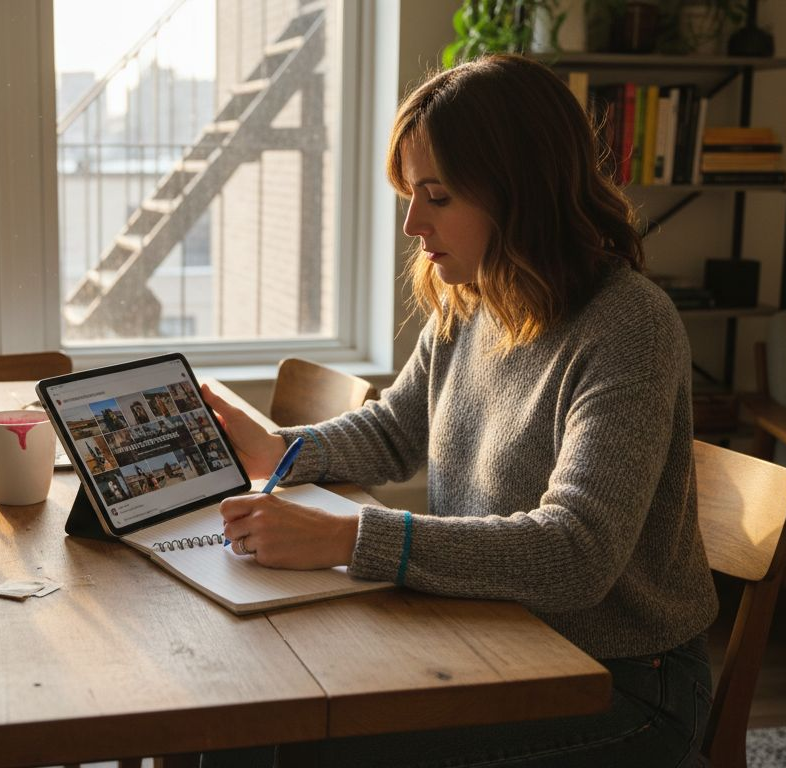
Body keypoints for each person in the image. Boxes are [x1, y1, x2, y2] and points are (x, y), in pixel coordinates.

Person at [200, 55, 717, 768]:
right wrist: (278, 448)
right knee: (245, 709)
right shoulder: (476, 298)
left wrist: (346, 539)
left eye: (436, 197)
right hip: (486, 632)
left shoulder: (629, 326)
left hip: (620, 684)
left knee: (278, 742)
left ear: (519, 193)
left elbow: (578, 554)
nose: (413, 223)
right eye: (411, 195)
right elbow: (395, 430)